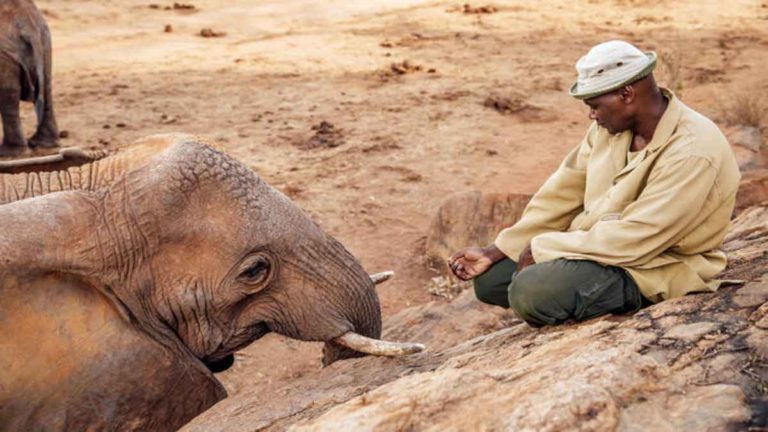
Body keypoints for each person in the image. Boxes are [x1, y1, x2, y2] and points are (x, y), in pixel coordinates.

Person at [448, 40, 741, 327]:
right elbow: (560, 195)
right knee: (491, 280)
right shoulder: (609, 128)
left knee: (530, 291)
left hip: (655, 263)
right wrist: (496, 250)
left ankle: (621, 299)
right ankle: (575, 288)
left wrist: (543, 248)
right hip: (597, 245)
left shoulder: (693, 150)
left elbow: (639, 236)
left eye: (594, 105)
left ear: (626, 94)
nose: (591, 115)